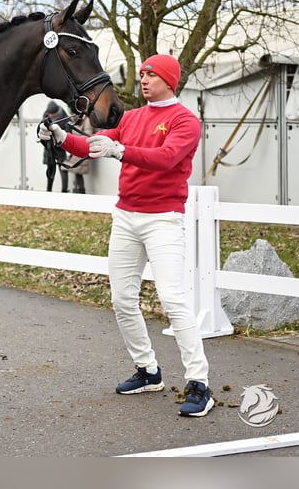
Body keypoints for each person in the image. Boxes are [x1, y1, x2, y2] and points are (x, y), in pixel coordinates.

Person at [38, 54, 214, 418]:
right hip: (126, 217)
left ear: (170, 80)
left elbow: (166, 158)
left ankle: (200, 383)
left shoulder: (185, 121)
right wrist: (60, 136)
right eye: (144, 73)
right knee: (122, 300)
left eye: (152, 74)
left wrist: (121, 150)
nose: (144, 79)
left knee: (173, 301)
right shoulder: (132, 117)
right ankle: (148, 370)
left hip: (163, 219)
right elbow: (93, 145)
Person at [40, 100, 70, 192]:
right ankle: (48, 191)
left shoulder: (65, 118)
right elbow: (41, 131)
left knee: (63, 170)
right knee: (50, 171)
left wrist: (58, 139)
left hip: (60, 148)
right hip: (49, 149)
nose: (51, 116)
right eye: (50, 114)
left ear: (57, 112)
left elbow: (68, 133)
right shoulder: (45, 116)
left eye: (53, 114)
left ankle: (64, 191)